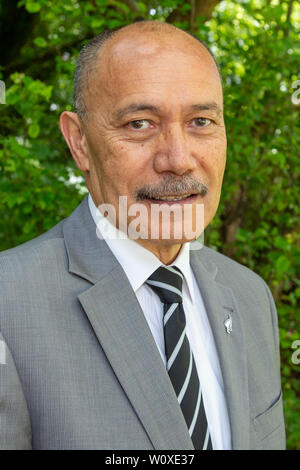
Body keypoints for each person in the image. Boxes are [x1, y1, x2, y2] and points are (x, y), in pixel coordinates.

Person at [0, 20, 285, 450]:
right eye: (140, 124)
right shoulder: (9, 305)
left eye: (201, 121)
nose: (178, 159)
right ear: (79, 143)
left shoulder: (250, 297)